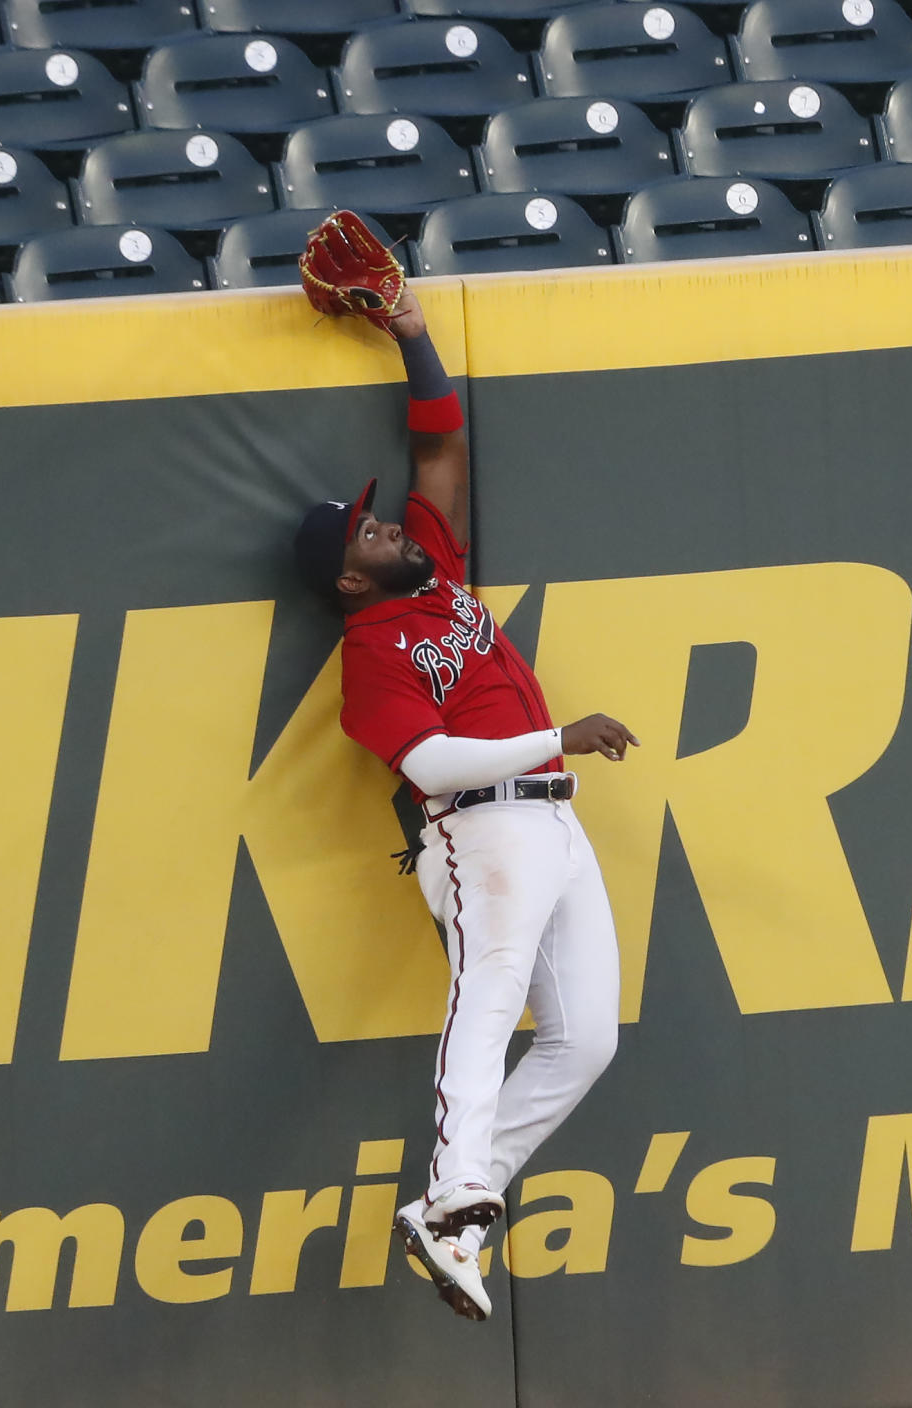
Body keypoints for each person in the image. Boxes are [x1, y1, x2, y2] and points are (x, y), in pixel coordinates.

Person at [294, 286, 638, 1323]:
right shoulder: (369, 654)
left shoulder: (435, 573)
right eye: (365, 534)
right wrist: (556, 736)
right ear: (350, 582)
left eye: (374, 517)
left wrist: (411, 333)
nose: (385, 524)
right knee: (488, 997)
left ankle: (454, 1204)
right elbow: (432, 763)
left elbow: (440, 449)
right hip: (479, 824)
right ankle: (455, 1202)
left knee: (587, 1039)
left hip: (552, 819)